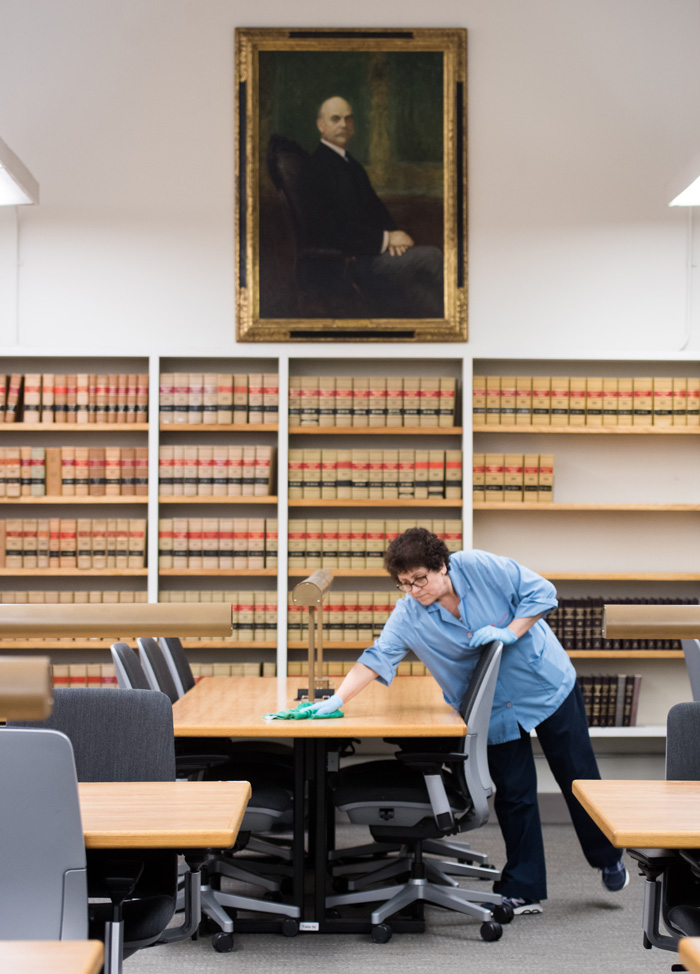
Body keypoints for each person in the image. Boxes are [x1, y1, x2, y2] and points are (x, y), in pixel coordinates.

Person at [310, 527, 629, 916]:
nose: (414, 590)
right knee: (515, 795)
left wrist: (510, 633)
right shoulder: (409, 615)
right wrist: (336, 699)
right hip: (492, 708)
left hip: (544, 684)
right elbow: (378, 657)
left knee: (577, 776)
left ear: (442, 565)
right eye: (404, 584)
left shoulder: (480, 566)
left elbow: (542, 593)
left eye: (420, 579)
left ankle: (607, 856)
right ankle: (524, 889)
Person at [305, 96, 444, 319]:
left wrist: (394, 238)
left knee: (423, 294)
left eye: (348, 119)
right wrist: (388, 240)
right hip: (352, 263)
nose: (344, 124)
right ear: (321, 125)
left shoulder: (350, 164)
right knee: (434, 257)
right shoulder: (317, 167)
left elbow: (377, 210)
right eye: (335, 119)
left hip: (373, 254)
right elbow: (331, 231)